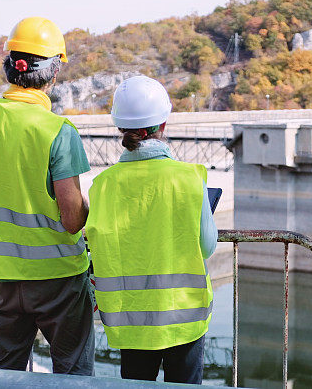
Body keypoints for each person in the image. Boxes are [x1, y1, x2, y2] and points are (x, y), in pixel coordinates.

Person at [0, 17, 94, 375]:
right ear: (54, 72)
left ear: (9, 66)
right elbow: (72, 218)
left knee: (3, 372)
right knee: (72, 373)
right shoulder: (59, 130)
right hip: (57, 277)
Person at [85, 75, 217, 384]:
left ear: (120, 128)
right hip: (184, 316)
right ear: (164, 124)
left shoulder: (102, 186)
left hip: (130, 321)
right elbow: (207, 247)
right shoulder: (188, 179)